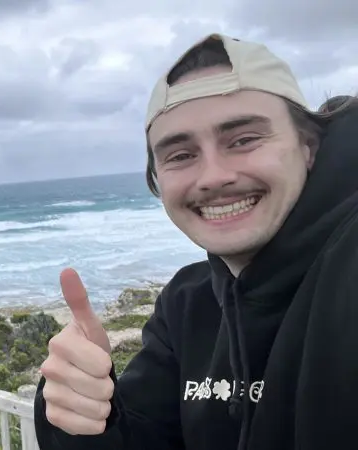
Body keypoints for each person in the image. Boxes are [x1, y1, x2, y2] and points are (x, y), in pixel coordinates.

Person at [34, 34, 358, 450]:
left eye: (243, 140)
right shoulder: (187, 304)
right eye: (180, 155)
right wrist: (83, 417)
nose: (213, 177)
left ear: (307, 147)